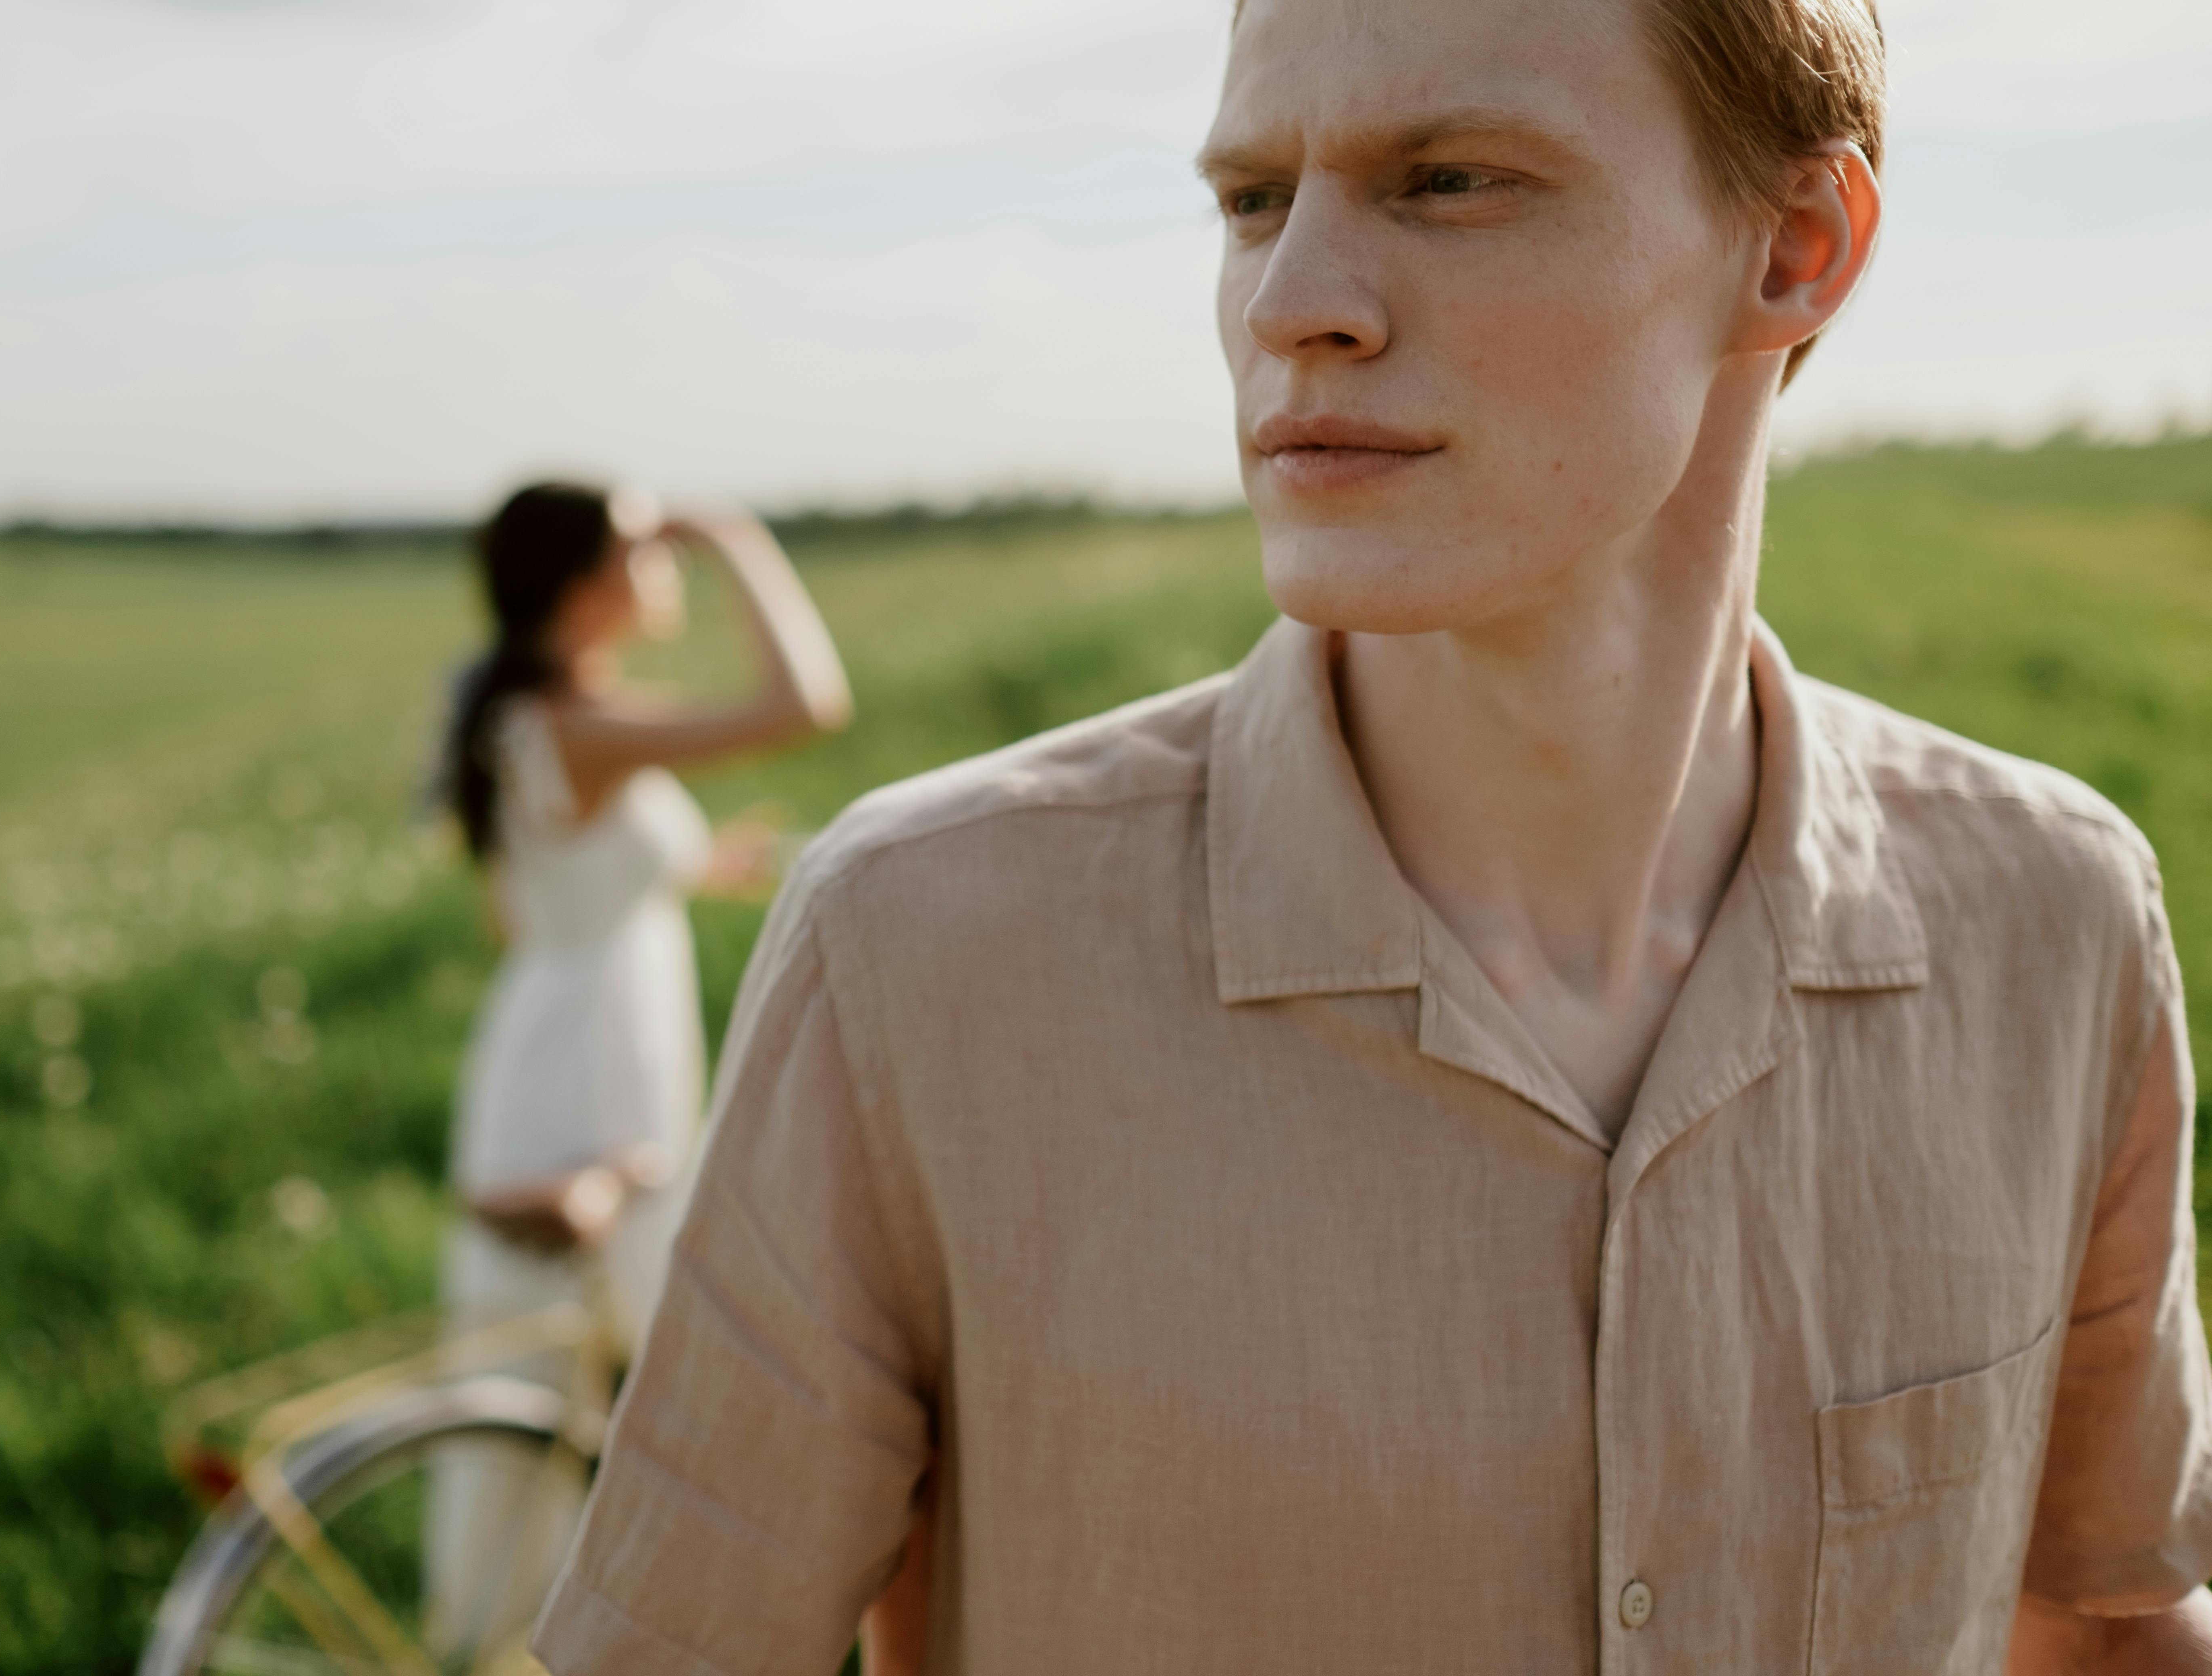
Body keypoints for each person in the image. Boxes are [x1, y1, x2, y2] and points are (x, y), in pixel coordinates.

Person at [531, 0, 2212, 1669]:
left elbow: (2109, 1634)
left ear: (1795, 245)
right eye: (1254, 199)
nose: (1293, 303)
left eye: (1450, 180)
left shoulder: (2054, 921)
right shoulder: (916, 950)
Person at [423, 482, 850, 1655]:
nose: (664, 569)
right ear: (586, 582)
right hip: (586, 1086)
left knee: (574, 1393)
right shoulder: (568, 726)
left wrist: (684, 869)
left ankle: (577, 1634)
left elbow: (528, 911)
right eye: (646, 550)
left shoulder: (536, 716)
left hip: (554, 1053)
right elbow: (808, 701)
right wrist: (736, 537)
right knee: (645, 1388)